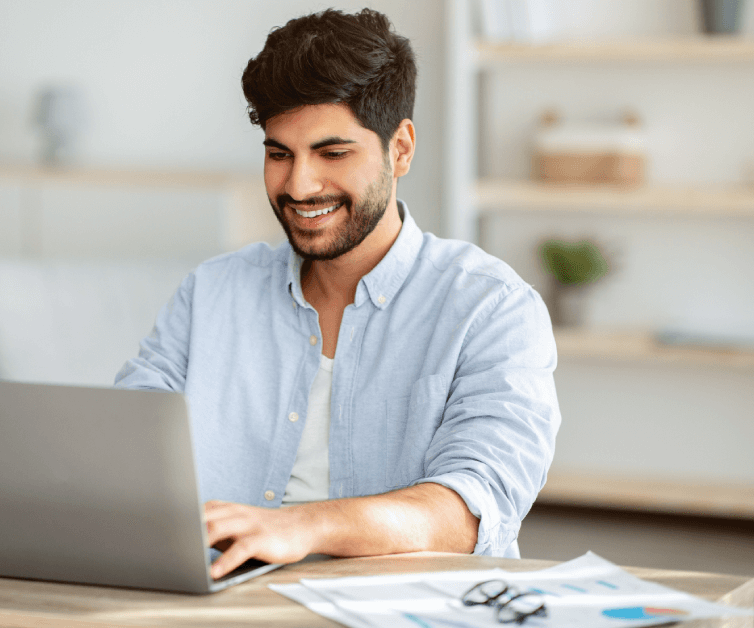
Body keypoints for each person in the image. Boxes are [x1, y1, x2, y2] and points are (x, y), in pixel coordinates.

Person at [115, 8, 560, 580]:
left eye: (332, 153)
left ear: (399, 149)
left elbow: (470, 509)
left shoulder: (492, 307)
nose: (299, 185)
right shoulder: (213, 292)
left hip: (403, 610)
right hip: (220, 604)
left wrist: (299, 527)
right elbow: (125, 446)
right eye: (280, 154)